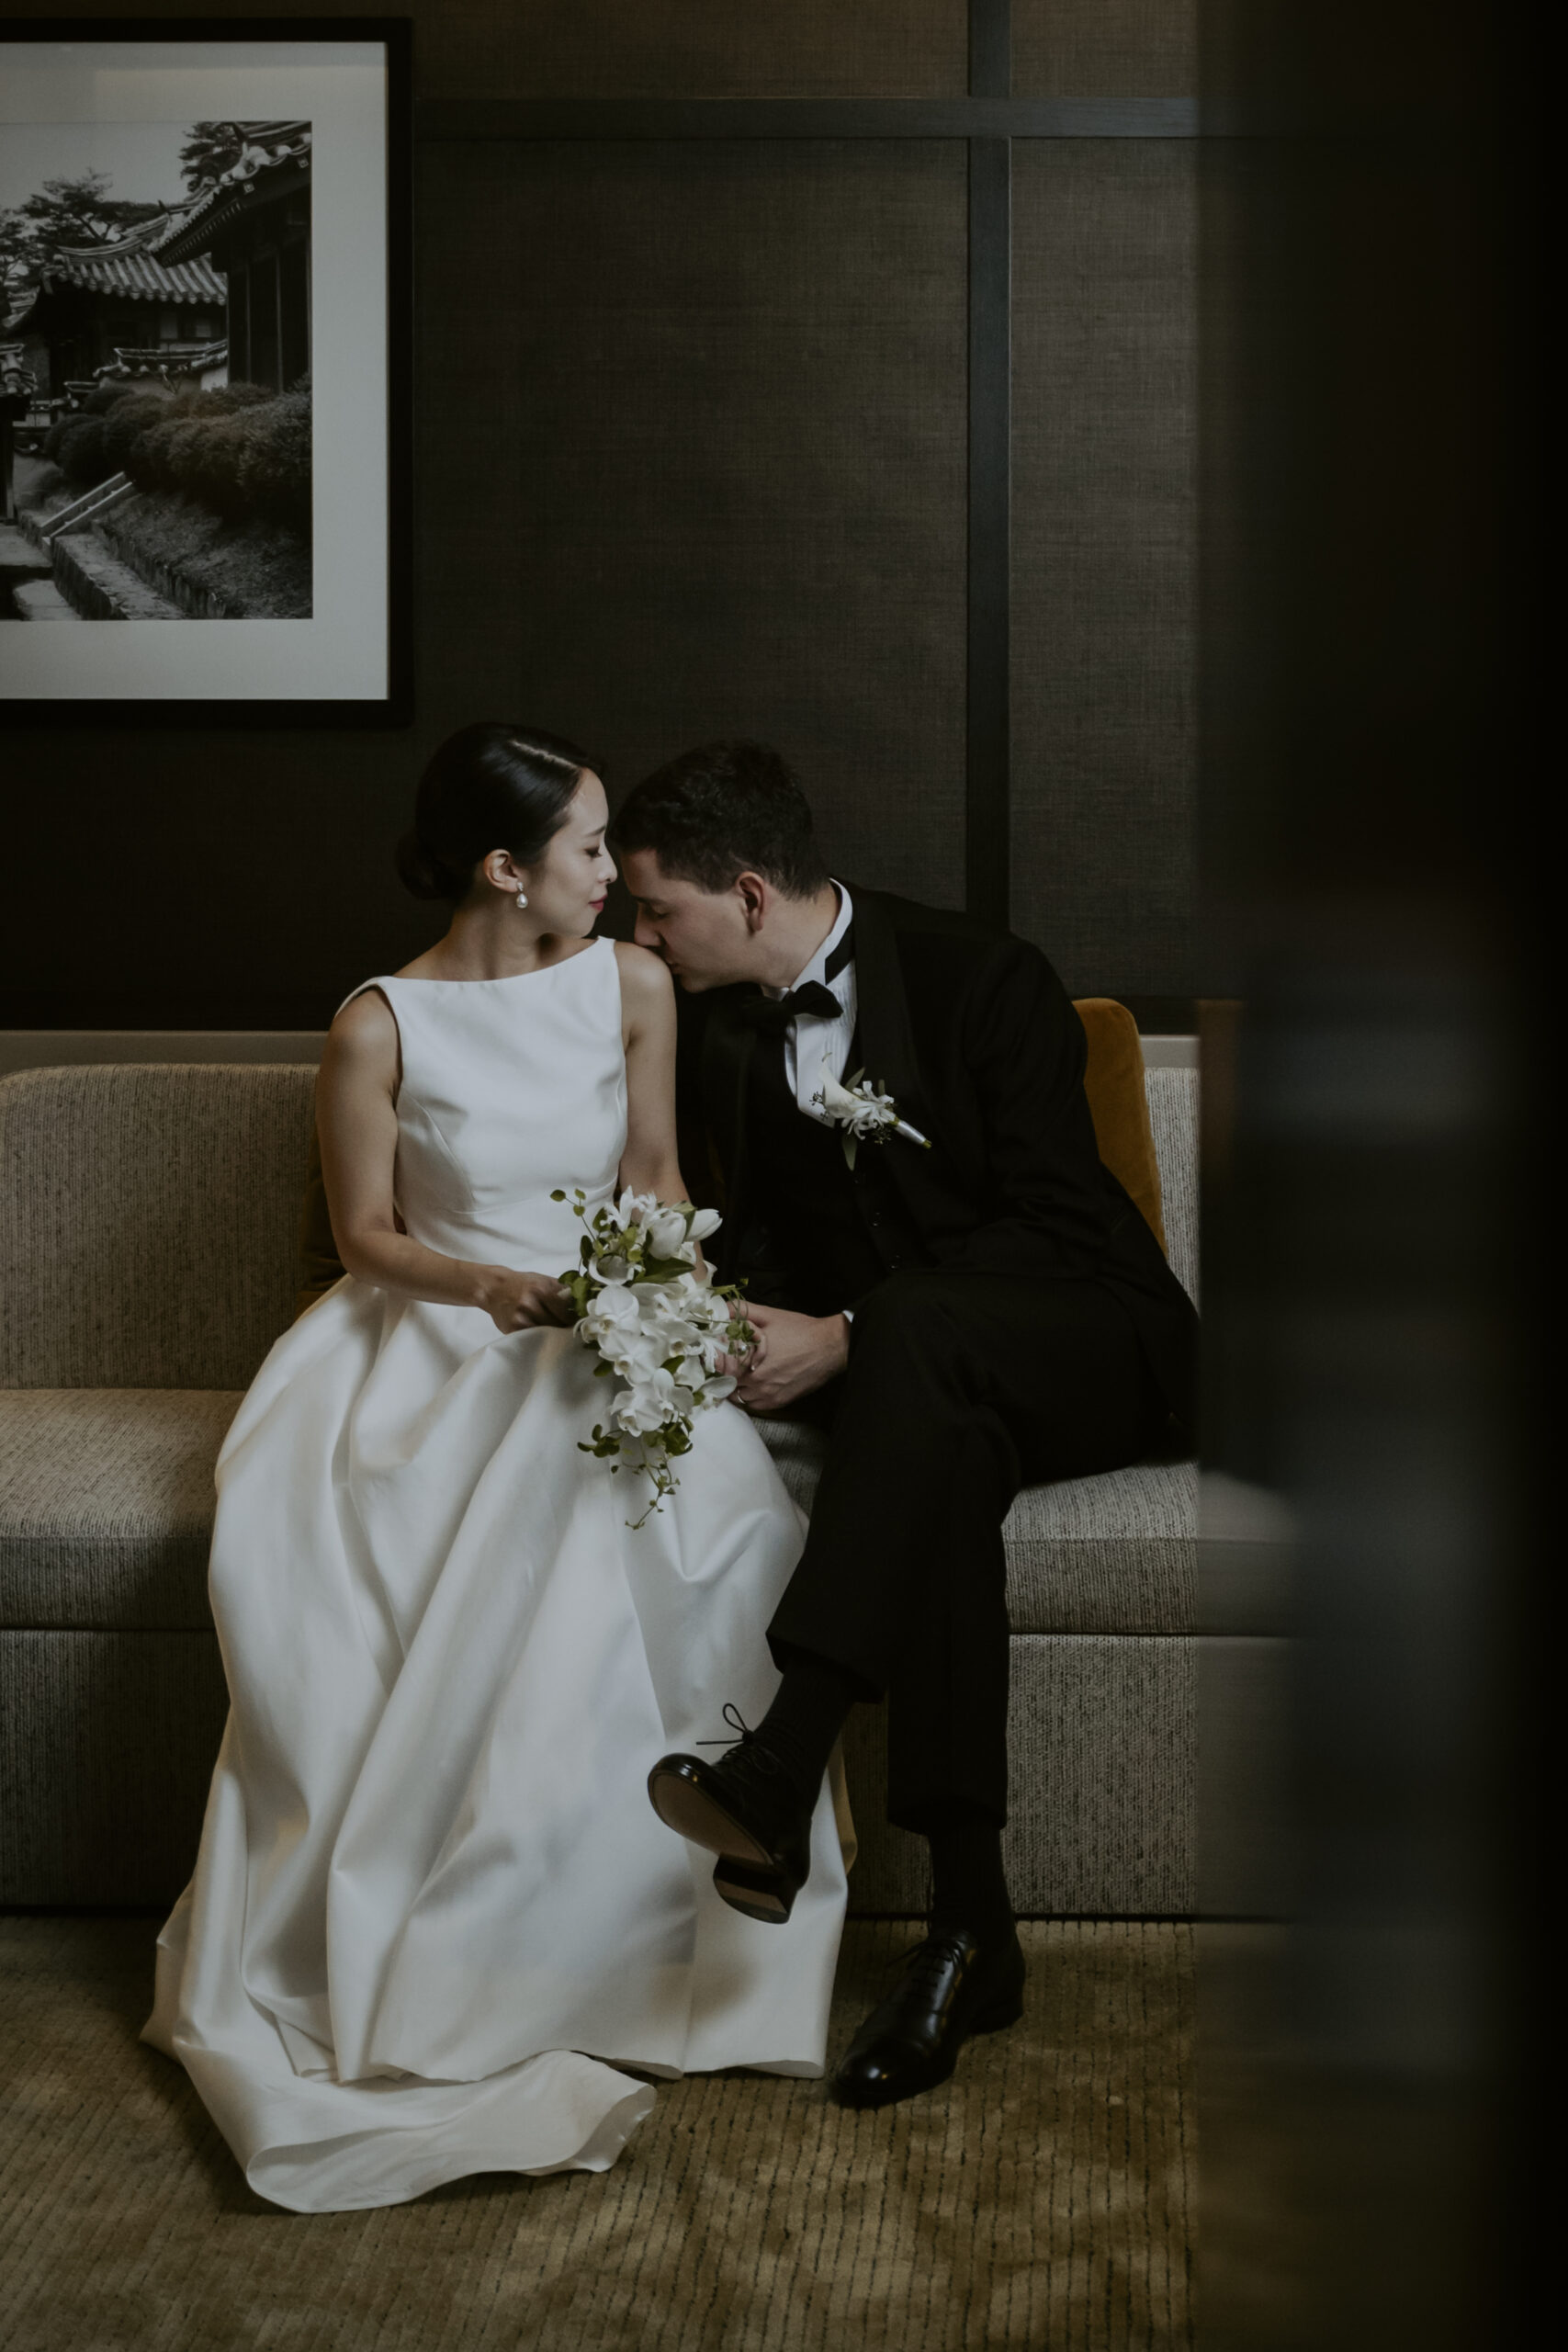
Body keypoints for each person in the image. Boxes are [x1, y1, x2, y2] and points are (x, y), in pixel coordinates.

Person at [144, 724, 847, 2213]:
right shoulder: (379, 1024)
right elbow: (366, 1240)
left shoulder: (634, 985)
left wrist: (667, 1294)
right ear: (503, 866)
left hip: (605, 1315)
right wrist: (493, 1291)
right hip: (435, 1336)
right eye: (593, 849)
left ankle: (665, 1923)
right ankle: (464, 1936)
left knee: (704, 1511)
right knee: (528, 1458)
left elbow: (652, 1176)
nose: (619, 879)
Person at [611, 741, 1197, 2110]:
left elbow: (1060, 1232)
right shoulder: (706, 1024)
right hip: (936, 1398)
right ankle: (970, 1931)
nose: (642, 937)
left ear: (749, 893)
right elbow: (734, 1224)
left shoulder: (986, 977)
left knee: (916, 1338)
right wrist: (733, 1323)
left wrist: (854, 1337)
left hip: (1094, 1339)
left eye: (660, 912)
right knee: (941, 1459)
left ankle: (790, 1739)